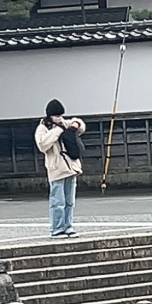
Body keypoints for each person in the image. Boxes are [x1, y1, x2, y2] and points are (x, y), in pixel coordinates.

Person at [34, 99, 86, 237]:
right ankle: (57, 229)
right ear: (50, 115)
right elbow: (42, 145)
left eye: (60, 115)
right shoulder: (42, 128)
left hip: (71, 167)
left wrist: (75, 124)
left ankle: (68, 226)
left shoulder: (64, 123)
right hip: (56, 169)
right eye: (56, 116)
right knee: (58, 202)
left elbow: (80, 126)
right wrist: (57, 130)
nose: (59, 118)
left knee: (69, 201)